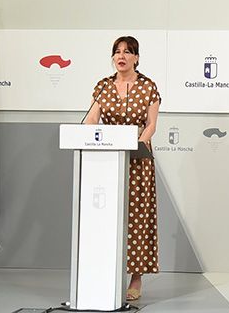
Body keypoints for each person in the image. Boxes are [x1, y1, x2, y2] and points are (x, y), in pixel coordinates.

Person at [83, 36, 161, 301]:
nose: (121, 56)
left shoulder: (148, 87)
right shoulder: (103, 87)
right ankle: (104, 269)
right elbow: (91, 119)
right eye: (117, 52)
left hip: (138, 160)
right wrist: (86, 136)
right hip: (107, 160)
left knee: (137, 217)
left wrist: (134, 145)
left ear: (136, 58)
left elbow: (151, 125)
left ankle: (136, 277)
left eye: (127, 52)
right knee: (106, 215)